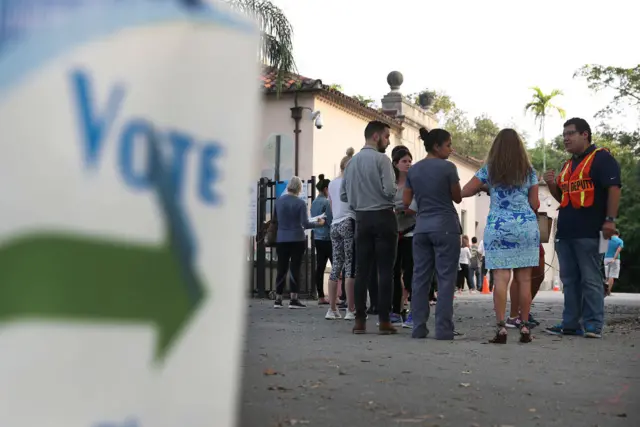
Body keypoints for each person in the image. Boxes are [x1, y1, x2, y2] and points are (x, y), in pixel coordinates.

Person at [543, 118, 621, 339]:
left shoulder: (602, 158)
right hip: (567, 230)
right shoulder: (568, 164)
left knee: (591, 278)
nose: (566, 138)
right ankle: (570, 323)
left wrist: (610, 220)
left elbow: (614, 188)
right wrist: (551, 185)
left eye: (571, 133)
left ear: (585, 134)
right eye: (564, 134)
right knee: (569, 280)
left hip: (594, 229)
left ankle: (593, 324)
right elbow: (563, 197)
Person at [462, 128, 540, 344]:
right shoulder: (529, 172)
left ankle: (501, 328)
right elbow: (535, 204)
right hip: (525, 227)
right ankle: (524, 327)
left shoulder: (490, 170)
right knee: (524, 280)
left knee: (500, 279)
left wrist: (488, 188)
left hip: (499, 227)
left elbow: (466, 190)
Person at [403, 127, 461, 340]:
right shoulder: (448, 168)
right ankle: (443, 329)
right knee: (445, 279)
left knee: (420, 278)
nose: (451, 149)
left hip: (421, 229)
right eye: (448, 145)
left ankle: (419, 327)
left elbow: (407, 202)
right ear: (437, 146)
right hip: (446, 226)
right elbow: (457, 197)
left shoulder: (413, 170)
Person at [341, 120, 398, 334]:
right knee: (385, 271)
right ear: (376, 136)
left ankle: (359, 320)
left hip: (361, 218)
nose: (388, 141)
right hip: (383, 216)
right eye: (386, 136)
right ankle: (384, 321)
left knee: (361, 271)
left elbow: (343, 195)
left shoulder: (351, 163)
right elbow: (390, 191)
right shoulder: (382, 159)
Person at [273, 177, 325, 309]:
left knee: (281, 268)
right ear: (299, 188)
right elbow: (305, 224)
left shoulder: (278, 202)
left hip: (281, 239)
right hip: (297, 239)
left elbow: (275, 220)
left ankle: (278, 299)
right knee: (294, 268)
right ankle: (293, 299)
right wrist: (319, 224)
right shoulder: (301, 203)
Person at [326, 149, 357, 320]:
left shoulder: (331, 183)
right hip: (348, 221)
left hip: (335, 224)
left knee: (336, 265)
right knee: (350, 266)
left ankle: (332, 309)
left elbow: (331, 206)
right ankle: (350, 309)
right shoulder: (350, 182)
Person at [392, 147, 416, 325]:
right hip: (393, 231)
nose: (408, 164)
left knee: (411, 272)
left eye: (409, 161)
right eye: (404, 161)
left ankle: (414, 311)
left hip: (411, 230)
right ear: (395, 163)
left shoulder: (414, 184)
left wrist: (404, 210)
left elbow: (417, 206)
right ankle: (395, 309)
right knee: (394, 273)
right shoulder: (390, 185)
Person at [310, 174, 333, 305]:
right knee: (336, 266)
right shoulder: (326, 202)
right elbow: (329, 220)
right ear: (325, 189)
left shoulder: (313, 202)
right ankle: (336, 295)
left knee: (320, 266)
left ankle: (320, 296)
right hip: (328, 238)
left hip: (317, 237)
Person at [604, 230, 623, 296]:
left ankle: (604, 290)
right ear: (618, 234)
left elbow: (603, 249)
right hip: (615, 259)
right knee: (612, 276)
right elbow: (618, 250)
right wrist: (614, 258)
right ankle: (608, 291)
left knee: (607, 276)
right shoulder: (620, 241)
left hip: (606, 258)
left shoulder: (607, 239)